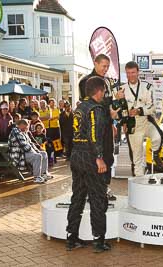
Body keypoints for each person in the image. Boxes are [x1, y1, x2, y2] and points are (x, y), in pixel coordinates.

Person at [66, 76, 111, 253]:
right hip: (90, 157)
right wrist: (99, 157)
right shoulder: (96, 108)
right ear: (98, 91)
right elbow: (95, 135)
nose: (104, 95)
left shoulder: (79, 107)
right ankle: (99, 241)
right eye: (104, 91)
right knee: (98, 199)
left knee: (77, 197)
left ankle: (72, 238)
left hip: (76, 156)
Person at [78, 54, 121, 200]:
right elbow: (93, 103)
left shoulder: (107, 82)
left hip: (107, 125)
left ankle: (104, 187)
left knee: (108, 157)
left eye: (108, 66)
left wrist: (112, 122)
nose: (106, 69)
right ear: (95, 63)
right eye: (103, 65)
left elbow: (107, 105)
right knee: (94, 158)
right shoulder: (85, 81)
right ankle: (92, 191)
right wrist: (114, 99)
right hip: (92, 127)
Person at [119, 61, 163, 176]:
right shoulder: (121, 89)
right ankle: (139, 180)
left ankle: (155, 154)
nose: (131, 75)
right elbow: (118, 109)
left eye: (133, 72)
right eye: (128, 73)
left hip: (145, 121)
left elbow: (152, 106)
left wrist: (139, 110)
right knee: (137, 157)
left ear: (138, 72)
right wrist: (123, 122)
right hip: (132, 126)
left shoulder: (147, 87)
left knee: (158, 137)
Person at [8, 119, 52, 183]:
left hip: (25, 152)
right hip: (19, 154)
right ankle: (37, 177)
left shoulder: (24, 131)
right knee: (37, 156)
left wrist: (37, 150)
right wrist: (35, 152)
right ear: (21, 125)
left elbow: (30, 143)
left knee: (43, 153)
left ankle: (44, 174)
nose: (27, 128)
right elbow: (24, 146)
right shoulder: (15, 131)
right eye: (26, 126)